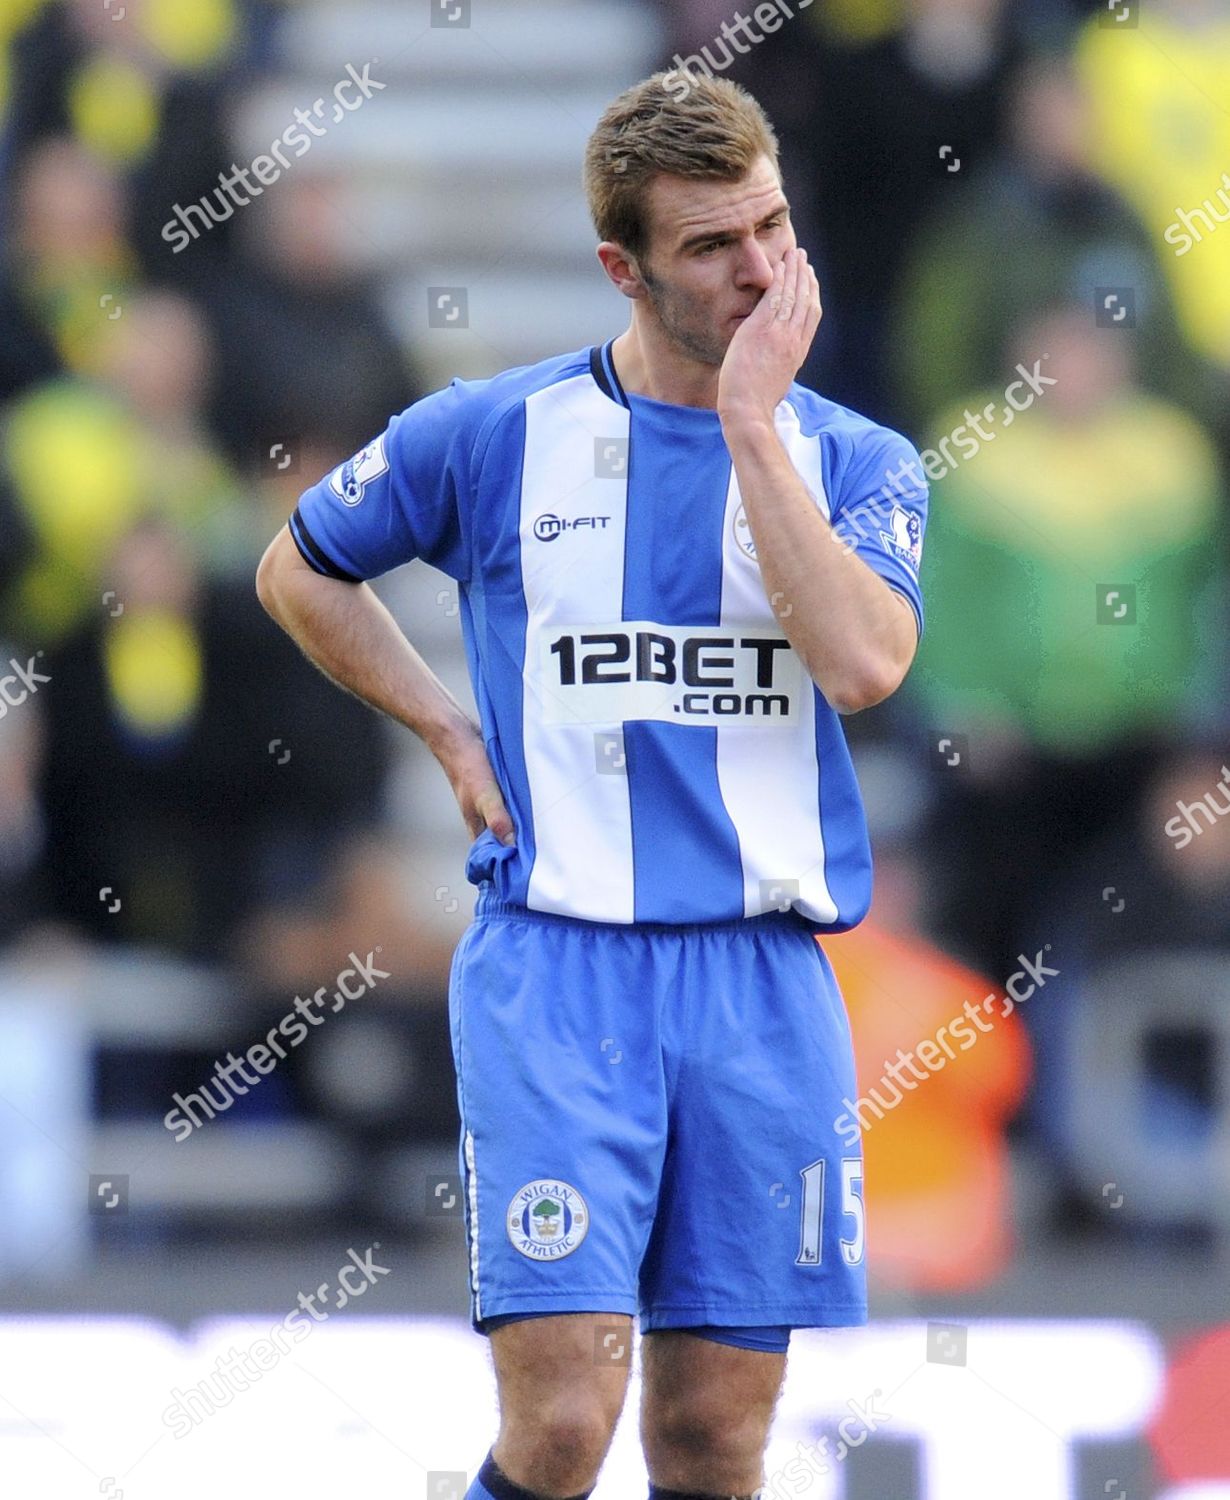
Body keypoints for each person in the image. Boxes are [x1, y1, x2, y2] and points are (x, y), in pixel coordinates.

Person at [256, 71, 927, 1500]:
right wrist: (442, 725)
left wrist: (750, 428)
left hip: (758, 986)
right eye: (709, 246)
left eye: (770, 229)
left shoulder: (854, 459)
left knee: (712, 1438)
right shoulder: (493, 434)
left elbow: (864, 666)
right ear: (621, 267)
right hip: (557, 977)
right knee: (564, 1427)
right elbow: (296, 569)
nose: (758, 270)